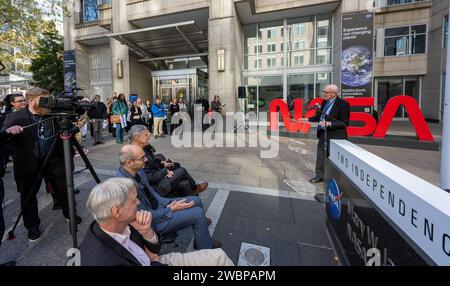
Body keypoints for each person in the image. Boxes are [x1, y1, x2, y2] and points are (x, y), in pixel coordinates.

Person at [80, 177, 233, 266]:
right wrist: (153, 259)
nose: (139, 203)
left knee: (219, 256)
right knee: (219, 259)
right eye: (133, 201)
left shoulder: (122, 223)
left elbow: (154, 251)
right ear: (116, 211)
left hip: (154, 260)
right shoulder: (103, 259)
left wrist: (147, 233)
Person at [0, 88, 83, 241]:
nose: (48, 103)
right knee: (28, 197)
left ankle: (69, 213)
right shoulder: (14, 117)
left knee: (64, 190)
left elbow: (67, 129)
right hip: (28, 163)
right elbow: (4, 140)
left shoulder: (52, 113)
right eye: (44, 100)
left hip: (54, 160)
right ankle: (32, 226)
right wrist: (9, 134)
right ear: (32, 100)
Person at [116, 145, 221, 249]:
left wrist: (167, 203)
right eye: (142, 158)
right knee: (198, 213)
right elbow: (144, 216)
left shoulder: (138, 171)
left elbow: (152, 193)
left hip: (159, 207)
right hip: (153, 222)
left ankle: (200, 240)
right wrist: (170, 209)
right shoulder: (125, 186)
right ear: (129, 162)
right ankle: (205, 247)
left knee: (196, 200)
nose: (146, 159)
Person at [129, 125, 208, 197]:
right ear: (137, 137)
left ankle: (190, 193)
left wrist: (162, 164)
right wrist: (165, 172)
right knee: (181, 171)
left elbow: (152, 163)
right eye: (146, 135)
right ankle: (194, 188)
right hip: (156, 185)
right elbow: (150, 177)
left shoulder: (144, 147)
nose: (149, 135)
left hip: (157, 174)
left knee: (175, 165)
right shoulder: (135, 153)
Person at [302, 84, 350, 183]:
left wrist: (329, 123)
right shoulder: (324, 102)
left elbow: (345, 123)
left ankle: (335, 179)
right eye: (323, 92)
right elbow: (318, 117)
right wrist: (307, 119)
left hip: (336, 136)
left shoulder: (343, 104)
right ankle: (319, 176)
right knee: (321, 156)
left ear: (333, 94)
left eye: (326, 92)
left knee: (334, 159)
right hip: (324, 134)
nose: (323, 94)